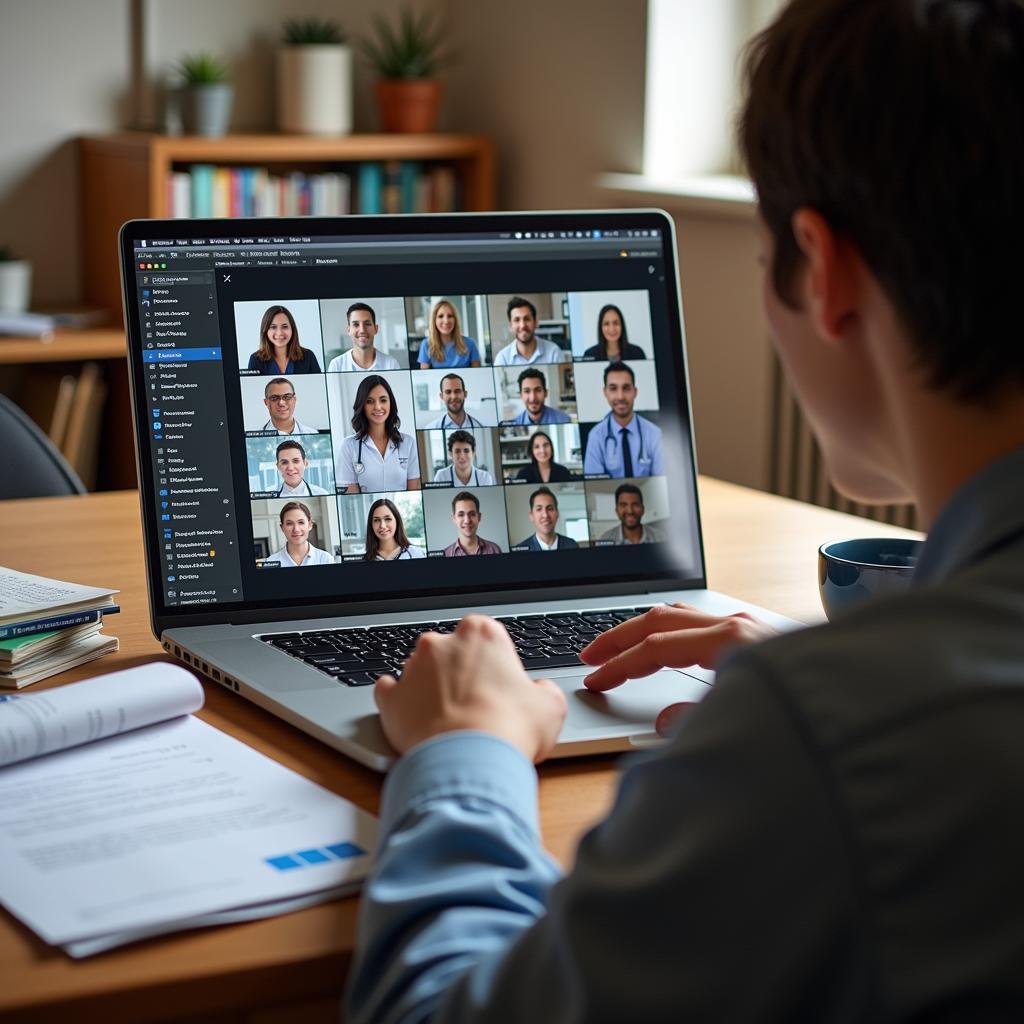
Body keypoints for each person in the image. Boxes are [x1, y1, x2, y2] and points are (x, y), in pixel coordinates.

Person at [345, 1, 1024, 1021]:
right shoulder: (865, 711)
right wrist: (826, 670)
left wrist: (465, 751)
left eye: (760, 258)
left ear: (823, 269)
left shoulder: (826, 736)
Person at [335, 375, 421, 494]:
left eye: (383, 400)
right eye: (369, 401)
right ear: (362, 405)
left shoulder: (408, 443)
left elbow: (414, 491)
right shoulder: (349, 446)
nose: (378, 407)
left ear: (391, 403)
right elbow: (351, 495)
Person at [582, 361, 664, 477]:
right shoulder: (596, 436)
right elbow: (594, 482)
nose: (620, 396)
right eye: (613, 388)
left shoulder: (654, 434)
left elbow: (662, 481)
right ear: (605, 393)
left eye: (626, 388)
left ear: (635, 392)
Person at [493, 296, 570, 366]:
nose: (522, 325)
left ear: (536, 322)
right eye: (517, 320)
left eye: (527, 319)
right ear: (511, 325)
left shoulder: (554, 353)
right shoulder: (502, 359)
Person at [246, 306, 322, 374]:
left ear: (292, 329)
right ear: (265, 330)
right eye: (273, 327)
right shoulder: (256, 359)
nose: (279, 333)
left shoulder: (308, 356)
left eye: (285, 327)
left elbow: (319, 386)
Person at [326, 303, 400, 372]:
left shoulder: (391, 364)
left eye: (367, 324)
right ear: (348, 330)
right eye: (356, 324)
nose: (362, 330)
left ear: (376, 328)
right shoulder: (336, 366)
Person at [263, 501, 333, 567]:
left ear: (310, 525)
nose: (296, 529)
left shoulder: (326, 559)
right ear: (282, 528)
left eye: (301, 522)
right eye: (289, 523)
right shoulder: (270, 562)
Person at [417, 299, 482, 368]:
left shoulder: (470, 344)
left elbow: (477, 375)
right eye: (440, 316)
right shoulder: (426, 345)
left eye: (450, 316)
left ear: (455, 320)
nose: (446, 321)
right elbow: (425, 376)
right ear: (434, 320)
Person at [514, 486, 579, 551]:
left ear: (557, 514)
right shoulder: (520, 550)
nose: (545, 515)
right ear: (531, 516)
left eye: (550, 509)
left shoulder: (572, 545)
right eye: (539, 509)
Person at [598, 482, 665, 544]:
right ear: (617, 511)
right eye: (623, 505)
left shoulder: (661, 538)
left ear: (643, 509)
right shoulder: (605, 539)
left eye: (635, 505)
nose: (630, 511)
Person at [502, 368, 571, 426]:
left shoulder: (564, 419)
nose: (533, 398)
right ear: (521, 395)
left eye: (538, 390)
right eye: (527, 391)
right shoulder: (515, 423)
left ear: (546, 393)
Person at [442, 491, 502, 556]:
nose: (467, 521)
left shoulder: (495, 550)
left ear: (479, 517)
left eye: (472, 514)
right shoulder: (445, 554)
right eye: (461, 515)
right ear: (454, 519)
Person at [581, 303, 647, 361]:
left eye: (616, 323)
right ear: (600, 327)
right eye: (606, 324)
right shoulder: (589, 355)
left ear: (622, 326)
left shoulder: (637, 353)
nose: (612, 329)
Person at [423, 373, 489, 429]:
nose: (453, 397)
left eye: (457, 391)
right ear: (441, 396)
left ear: (465, 394)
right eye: (448, 392)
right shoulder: (431, 427)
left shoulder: (481, 426)